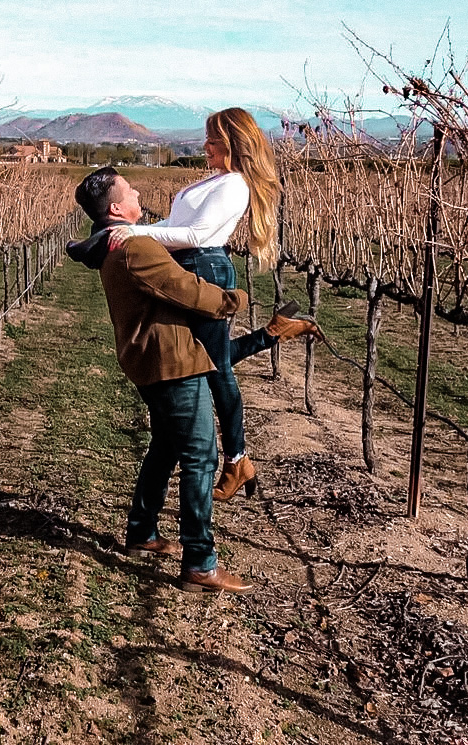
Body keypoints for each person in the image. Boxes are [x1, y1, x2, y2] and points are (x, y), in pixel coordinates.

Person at [110, 107, 320, 502]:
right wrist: (127, 232)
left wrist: (134, 233)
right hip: (191, 265)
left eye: (213, 140)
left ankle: (237, 458)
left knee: (215, 368)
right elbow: (173, 226)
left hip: (204, 267)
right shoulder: (216, 179)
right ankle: (272, 334)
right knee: (205, 359)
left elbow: (196, 233)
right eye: (206, 138)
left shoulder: (235, 185)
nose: (205, 146)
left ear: (234, 143)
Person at [68, 166, 253, 593]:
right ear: (117, 209)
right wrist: (236, 298)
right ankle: (200, 563)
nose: (138, 194)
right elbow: (189, 291)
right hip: (172, 362)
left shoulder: (111, 245)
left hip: (148, 360)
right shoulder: (136, 248)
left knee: (166, 446)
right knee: (201, 457)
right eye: (130, 191)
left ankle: (142, 531)